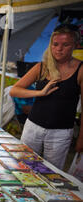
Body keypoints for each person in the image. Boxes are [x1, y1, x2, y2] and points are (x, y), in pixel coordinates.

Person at [10, 23, 83, 170]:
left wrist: (81, 139)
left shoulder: (80, 70)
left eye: (65, 44)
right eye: (55, 44)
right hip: (33, 127)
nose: (59, 49)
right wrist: (39, 93)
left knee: (51, 173)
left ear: (75, 45)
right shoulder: (42, 66)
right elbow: (15, 90)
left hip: (60, 132)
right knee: (23, 167)